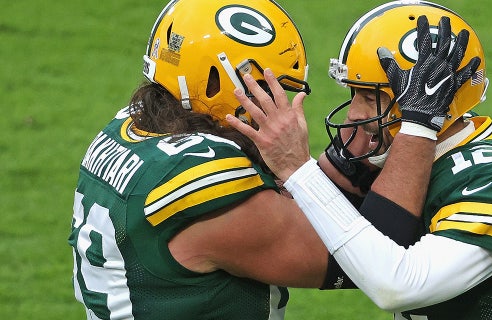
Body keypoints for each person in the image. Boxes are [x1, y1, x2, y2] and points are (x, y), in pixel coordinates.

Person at [68, 0, 447, 319]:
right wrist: (419, 121)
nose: (278, 99)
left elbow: (311, 208)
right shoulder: (202, 181)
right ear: (217, 81)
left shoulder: (130, 126)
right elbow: (370, 255)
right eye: (269, 86)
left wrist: (348, 155)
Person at [228, 1, 492, 319]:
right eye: (354, 94)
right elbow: (314, 209)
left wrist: (297, 169)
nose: (355, 113)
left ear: (433, 101)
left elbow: (398, 285)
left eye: (369, 96)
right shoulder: (414, 150)